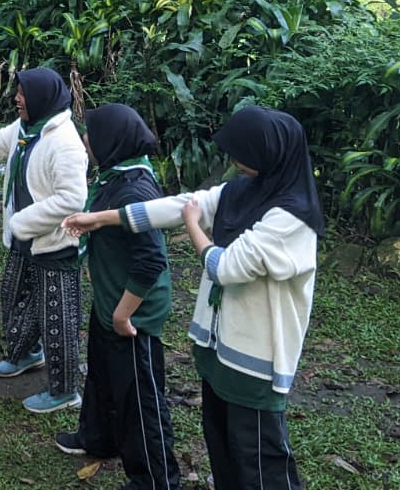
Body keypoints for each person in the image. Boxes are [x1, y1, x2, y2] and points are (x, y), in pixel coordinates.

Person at [64, 106, 322, 490]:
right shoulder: (242, 191)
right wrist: (103, 218)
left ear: (268, 153)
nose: (233, 161)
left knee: (260, 457)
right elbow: (180, 204)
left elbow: (227, 266)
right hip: (218, 347)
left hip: (256, 358)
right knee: (222, 445)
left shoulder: (292, 219)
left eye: (241, 153)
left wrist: (193, 227)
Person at [54, 104, 179, 490]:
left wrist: (124, 315)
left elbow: (151, 259)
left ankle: (155, 479)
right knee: (103, 376)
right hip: (110, 299)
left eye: (91, 133)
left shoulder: (134, 188)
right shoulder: (114, 175)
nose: (85, 139)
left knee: (139, 399)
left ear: (112, 140)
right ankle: (98, 437)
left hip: (133, 313)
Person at [0, 68, 86, 414]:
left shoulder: (64, 142)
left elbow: (73, 200)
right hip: (25, 240)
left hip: (55, 245)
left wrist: (24, 221)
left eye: (22, 93)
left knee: (57, 317)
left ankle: (64, 390)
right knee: (13, 295)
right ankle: (26, 354)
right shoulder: (26, 128)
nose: (17, 98)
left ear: (41, 99)